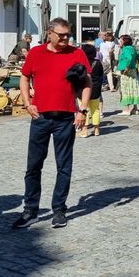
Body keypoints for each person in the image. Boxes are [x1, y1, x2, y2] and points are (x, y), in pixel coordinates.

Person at [15, 17, 92, 229]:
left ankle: (59, 210)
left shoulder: (76, 53)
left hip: (66, 117)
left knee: (64, 166)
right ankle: (30, 210)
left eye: (68, 35)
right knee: (33, 166)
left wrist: (83, 109)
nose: (66, 38)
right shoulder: (36, 52)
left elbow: (87, 81)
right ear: (50, 33)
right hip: (40, 117)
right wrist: (27, 102)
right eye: (61, 35)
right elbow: (24, 77)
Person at [78, 44, 103, 138]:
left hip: (83, 89)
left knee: (84, 109)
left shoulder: (81, 63)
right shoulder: (98, 63)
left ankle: (84, 130)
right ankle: (96, 129)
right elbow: (101, 75)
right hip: (96, 88)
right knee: (95, 109)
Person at [117, 35, 139, 115]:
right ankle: (135, 108)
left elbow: (129, 58)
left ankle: (127, 109)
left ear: (124, 42)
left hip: (126, 71)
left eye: (120, 41)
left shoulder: (125, 49)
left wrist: (126, 67)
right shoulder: (132, 48)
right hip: (133, 70)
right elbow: (138, 57)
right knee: (134, 87)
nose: (119, 43)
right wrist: (137, 65)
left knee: (125, 88)